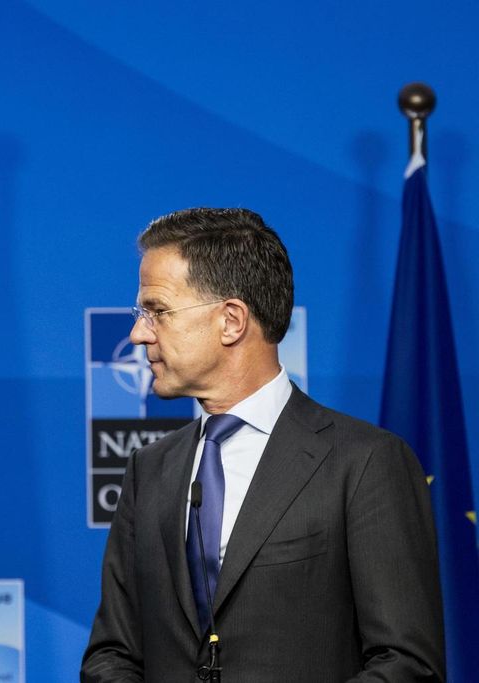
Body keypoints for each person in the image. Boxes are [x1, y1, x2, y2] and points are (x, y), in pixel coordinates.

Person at [81, 208, 444, 681]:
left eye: (158, 311)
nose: (138, 333)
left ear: (231, 321)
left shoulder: (364, 463)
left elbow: (406, 663)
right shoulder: (149, 469)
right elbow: (111, 654)